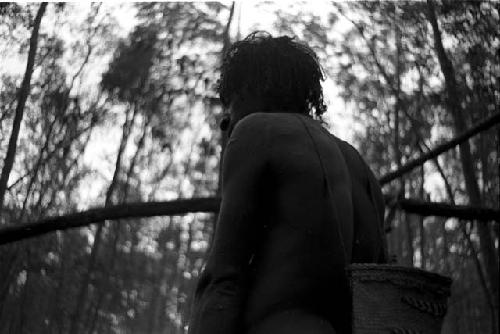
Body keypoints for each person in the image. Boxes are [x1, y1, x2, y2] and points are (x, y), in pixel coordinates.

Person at [188, 31, 387, 334]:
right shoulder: (361, 168)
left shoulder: (257, 131)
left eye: (232, 101)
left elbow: (222, 279)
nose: (225, 120)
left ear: (259, 85)